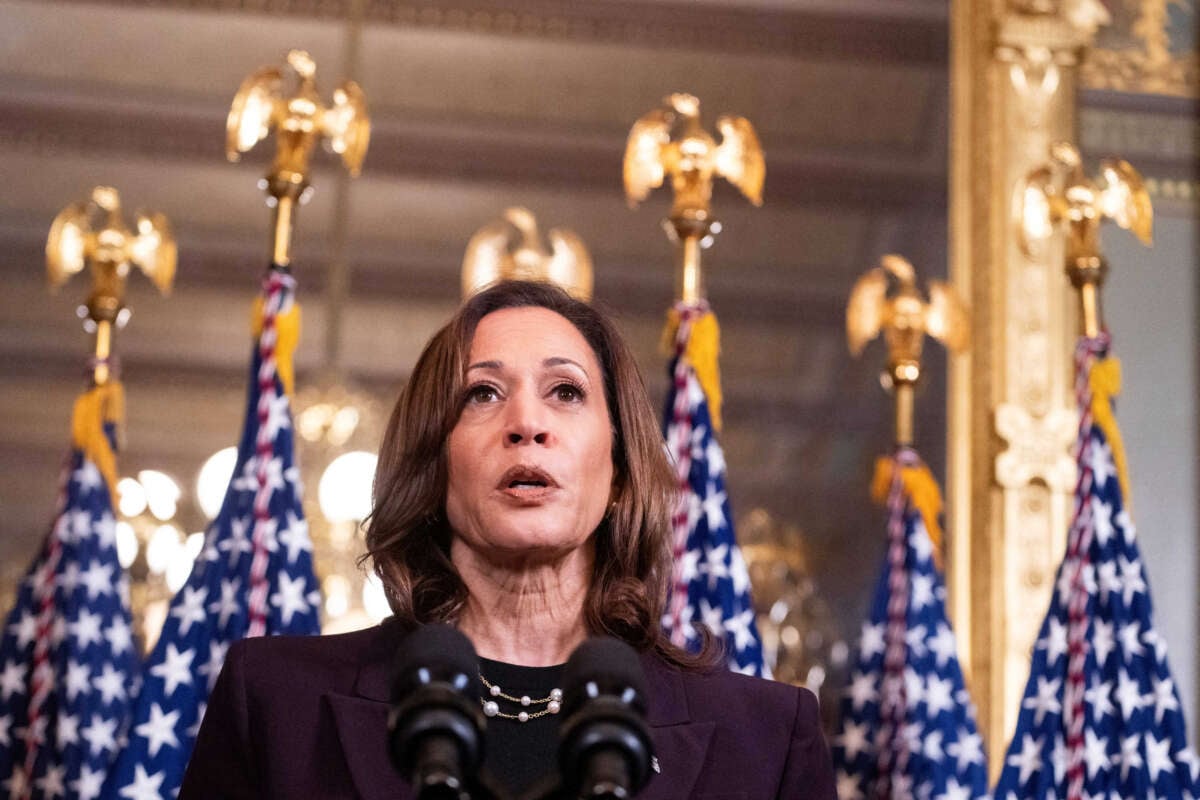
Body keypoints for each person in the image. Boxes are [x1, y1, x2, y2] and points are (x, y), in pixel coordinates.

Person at [180, 280, 837, 800]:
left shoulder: (768, 740)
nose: (527, 422)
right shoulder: (274, 701)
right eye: (483, 393)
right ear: (433, 464)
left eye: (566, 392)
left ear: (618, 473)